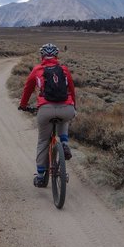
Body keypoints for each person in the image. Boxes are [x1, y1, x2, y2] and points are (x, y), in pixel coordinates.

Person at [18, 43, 76, 187]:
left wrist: (23, 105)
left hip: (45, 109)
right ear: (56, 56)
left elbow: (27, 89)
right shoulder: (64, 69)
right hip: (66, 108)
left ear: (42, 56)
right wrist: (73, 105)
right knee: (64, 119)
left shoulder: (37, 70)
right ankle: (64, 143)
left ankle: (40, 175)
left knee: (43, 141)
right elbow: (72, 89)